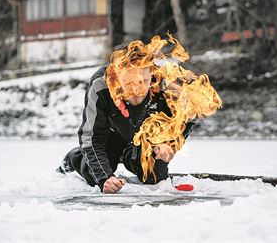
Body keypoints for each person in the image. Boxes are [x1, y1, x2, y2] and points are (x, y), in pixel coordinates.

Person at [58, 41, 197, 194]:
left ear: (151, 73)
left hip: (148, 137)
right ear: (117, 77)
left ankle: (130, 156)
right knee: (94, 177)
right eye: (129, 83)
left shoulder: (167, 83)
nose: (138, 90)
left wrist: (169, 144)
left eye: (143, 81)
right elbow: (92, 137)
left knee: (154, 177)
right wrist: (105, 178)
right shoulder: (101, 85)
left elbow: (189, 117)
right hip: (112, 134)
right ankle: (74, 158)